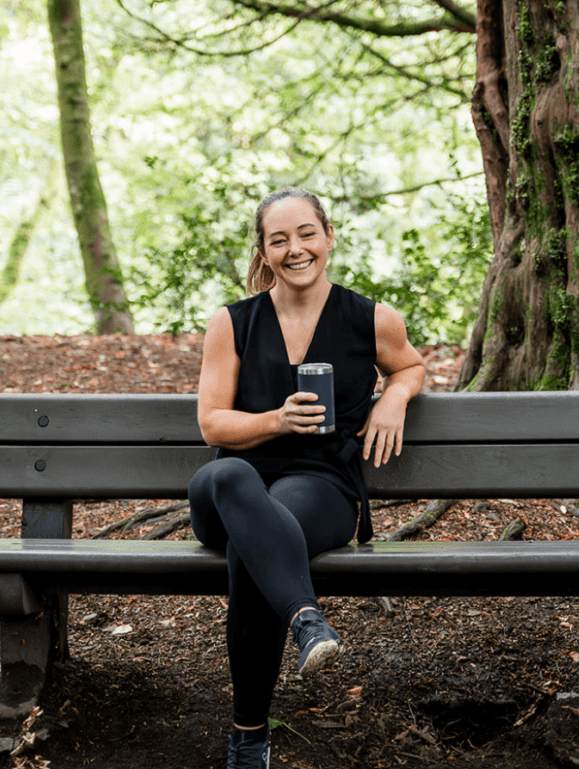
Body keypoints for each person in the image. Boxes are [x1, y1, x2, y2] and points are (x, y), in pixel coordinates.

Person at [188, 187, 425, 769]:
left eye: (306, 234)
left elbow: (412, 364)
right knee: (231, 479)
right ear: (264, 252)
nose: (295, 249)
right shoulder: (233, 322)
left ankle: (248, 739)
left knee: (260, 542)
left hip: (320, 485)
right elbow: (211, 422)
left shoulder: (369, 317)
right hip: (235, 483)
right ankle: (305, 617)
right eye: (279, 239)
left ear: (329, 237)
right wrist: (275, 419)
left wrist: (394, 396)